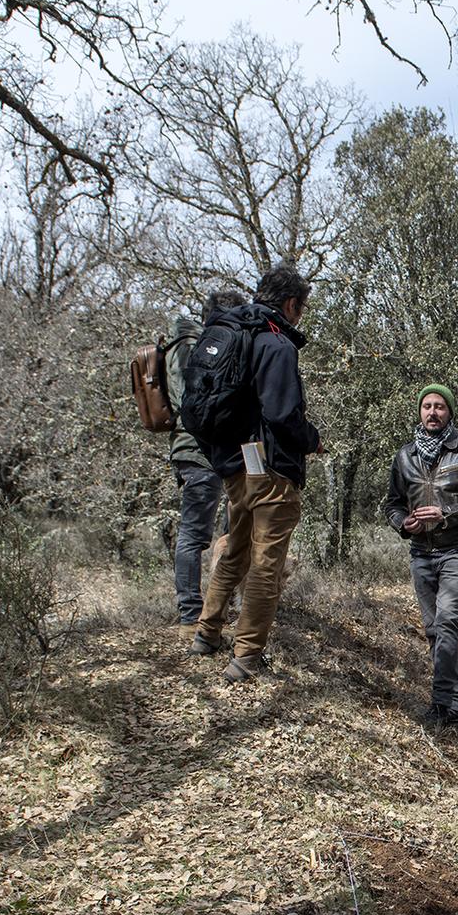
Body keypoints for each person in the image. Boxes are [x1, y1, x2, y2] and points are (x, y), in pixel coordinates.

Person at [189, 265, 322, 681]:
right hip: (272, 470)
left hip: (236, 466)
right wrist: (312, 438)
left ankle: (206, 633)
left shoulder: (238, 334)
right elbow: (283, 414)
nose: (300, 315)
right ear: (290, 304)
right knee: (267, 563)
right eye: (301, 307)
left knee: (235, 548)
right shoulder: (276, 345)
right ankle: (246, 656)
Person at [383, 382, 458, 727]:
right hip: (421, 551)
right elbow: (392, 504)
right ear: (420, 411)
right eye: (427, 406)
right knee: (434, 629)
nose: (432, 412)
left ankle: (445, 704)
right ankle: (453, 704)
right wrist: (405, 523)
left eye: (439, 406)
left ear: (449, 412)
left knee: (447, 620)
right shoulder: (405, 456)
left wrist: (445, 514)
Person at [164, 290, 243, 625]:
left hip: (205, 451)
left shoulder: (190, 345)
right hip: (197, 452)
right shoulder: (191, 347)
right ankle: (191, 611)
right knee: (194, 534)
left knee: (226, 529)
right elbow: (192, 403)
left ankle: (217, 605)